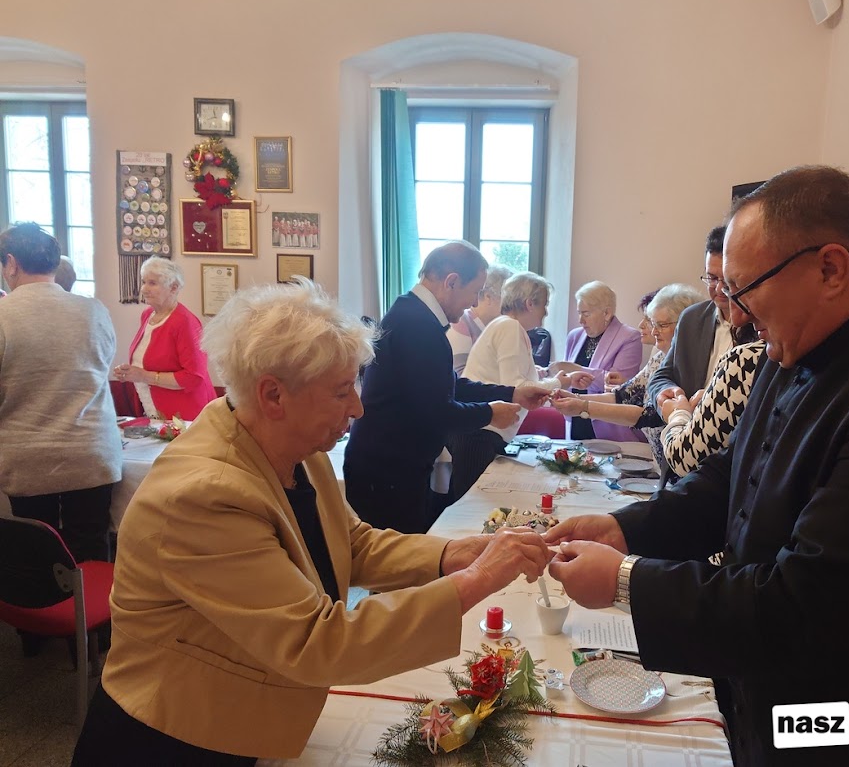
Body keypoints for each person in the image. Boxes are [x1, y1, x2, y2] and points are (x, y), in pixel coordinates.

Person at [545, 166, 849, 766]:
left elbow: (809, 607)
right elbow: (738, 473)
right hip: (794, 700)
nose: (735, 311)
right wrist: (629, 528)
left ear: (830, 267)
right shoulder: (796, 344)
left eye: (746, 288)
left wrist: (626, 581)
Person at [71, 279, 553, 765]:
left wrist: (453, 554)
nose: (358, 408)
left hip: (241, 709)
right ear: (273, 395)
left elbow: (353, 543)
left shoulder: (291, 446)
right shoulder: (202, 496)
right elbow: (316, 641)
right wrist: (480, 579)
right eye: (343, 391)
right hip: (172, 738)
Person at [344, 241, 550, 534]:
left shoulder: (415, 315)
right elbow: (437, 412)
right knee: (401, 570)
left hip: (392, 467)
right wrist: (489, 414)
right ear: (451, 282)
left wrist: (510, 394)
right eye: (475, 291)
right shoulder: (418, 325)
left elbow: (450, 386)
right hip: (388, 471)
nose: (475, 302)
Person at [0, 223, 121, 563]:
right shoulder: (94, 311)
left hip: (30, 455)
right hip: (91, 451)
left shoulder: (3, 316)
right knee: (92, 550)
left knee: (39, 556)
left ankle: (47, 616)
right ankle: (93, 615)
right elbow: (101, 367)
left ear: (11, 263)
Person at [448, 272, 593, 501]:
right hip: (479, 433)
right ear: (529, 303)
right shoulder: (509, 328)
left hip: (483, 430)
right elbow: (514, 388)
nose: (545, 312)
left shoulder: (507, 327)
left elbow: (523, 378)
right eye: (544, 304)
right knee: (470, 511)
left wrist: (560, 378)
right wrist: (559, 382)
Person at [552, 283, 705, 468]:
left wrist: (583, 406)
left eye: (661, 325)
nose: (654, 331)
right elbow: (623, 396)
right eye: (653, 323)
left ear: (686, 326)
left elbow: (648, 415)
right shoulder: (659, 359)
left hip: (682, 463)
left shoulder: (696, 364)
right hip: (661, 459)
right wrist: (574, 397)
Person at [113, 257, 216, 420]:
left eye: (152, 283)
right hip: (152, 409)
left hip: (184, 415)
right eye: (144, 282)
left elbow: (194, 377)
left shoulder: (185, 322)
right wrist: (130, 373)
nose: (144, 289)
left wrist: (143, 376)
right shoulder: (147, 315)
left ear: (173, 287)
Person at [659, 320, 765, 477]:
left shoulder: (747, 359)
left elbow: (684, 459)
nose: (735, 319)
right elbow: (658, 379)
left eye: (662, 324)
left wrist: (677, 413)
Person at [647, 225, 729, 420]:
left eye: (726, 279)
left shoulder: (759, 325)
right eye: (711, 278)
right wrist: (667, 393)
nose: (719, 288)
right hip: (684, 435)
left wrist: (713, 401)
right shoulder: (692, 319)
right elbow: (660, 377)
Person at [560, 281, 642, 442]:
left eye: (586, 313)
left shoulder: (630, 337)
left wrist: (574, 369)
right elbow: (567, 380)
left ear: (606, 313)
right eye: (579, 313)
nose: (580, 320)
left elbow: (620, 390)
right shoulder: (574, 336)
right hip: (575, 424)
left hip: (609, 429)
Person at [448, 264, 513, 374]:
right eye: (508, 299)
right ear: (488, 297)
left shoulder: (499, 326)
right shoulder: (461, 323)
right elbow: (460, 375)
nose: (512, 305)